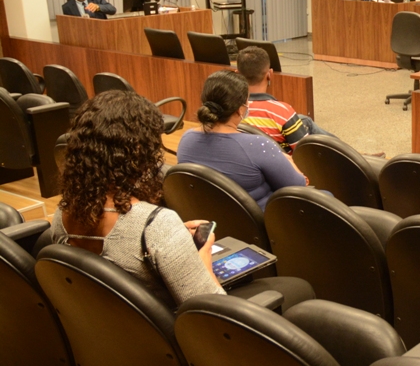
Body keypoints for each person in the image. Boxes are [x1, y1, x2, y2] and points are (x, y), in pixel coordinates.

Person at [51, 90, 313, 310]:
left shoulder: (62, 214)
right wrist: (203, 258)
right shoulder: (155, 226)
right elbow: (210, 309)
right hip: (181, 334)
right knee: (300, 288)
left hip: (119, 329)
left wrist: (175, 241)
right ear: (138, 153)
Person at [177, 70, 309, 210]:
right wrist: (289, 160)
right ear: (241, 110)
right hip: (265, 224)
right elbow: (298, 187)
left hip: (214, 220)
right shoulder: (259, 146)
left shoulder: (186, 139)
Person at [236, 46, 336, 153]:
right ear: (270, 74)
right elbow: (305, 154)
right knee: (302, 122)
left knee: (303, 120)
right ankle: (346, 154)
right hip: (280, 165)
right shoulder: (282, 112)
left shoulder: (229, 107)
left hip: (246, 158)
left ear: (237, 74)